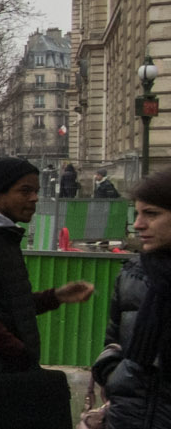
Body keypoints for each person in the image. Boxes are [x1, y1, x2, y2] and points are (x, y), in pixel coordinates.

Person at [0, 158, 95, 379]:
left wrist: (56, 296)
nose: (34, 198)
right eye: (25, 191)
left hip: (2, 367)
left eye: (36, 191)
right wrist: (16, 349)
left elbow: (8, 304)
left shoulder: (1, 235)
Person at [93, 169, 171, 428]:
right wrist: (113, 373)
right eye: (137, 213)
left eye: (151, 213)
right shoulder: (133, 274)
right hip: (127, 418)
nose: (138, 224)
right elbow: (113, 340)